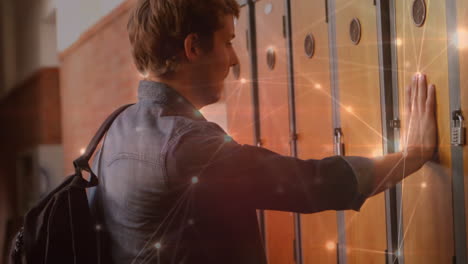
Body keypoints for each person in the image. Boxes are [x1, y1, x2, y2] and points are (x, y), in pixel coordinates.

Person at [89, 0, 437, 263]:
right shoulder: (184, 146)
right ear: (193, 47)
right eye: (227, 42)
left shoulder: (117, 128)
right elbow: (310, 184)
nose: (235, 59)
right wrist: (411, 156)